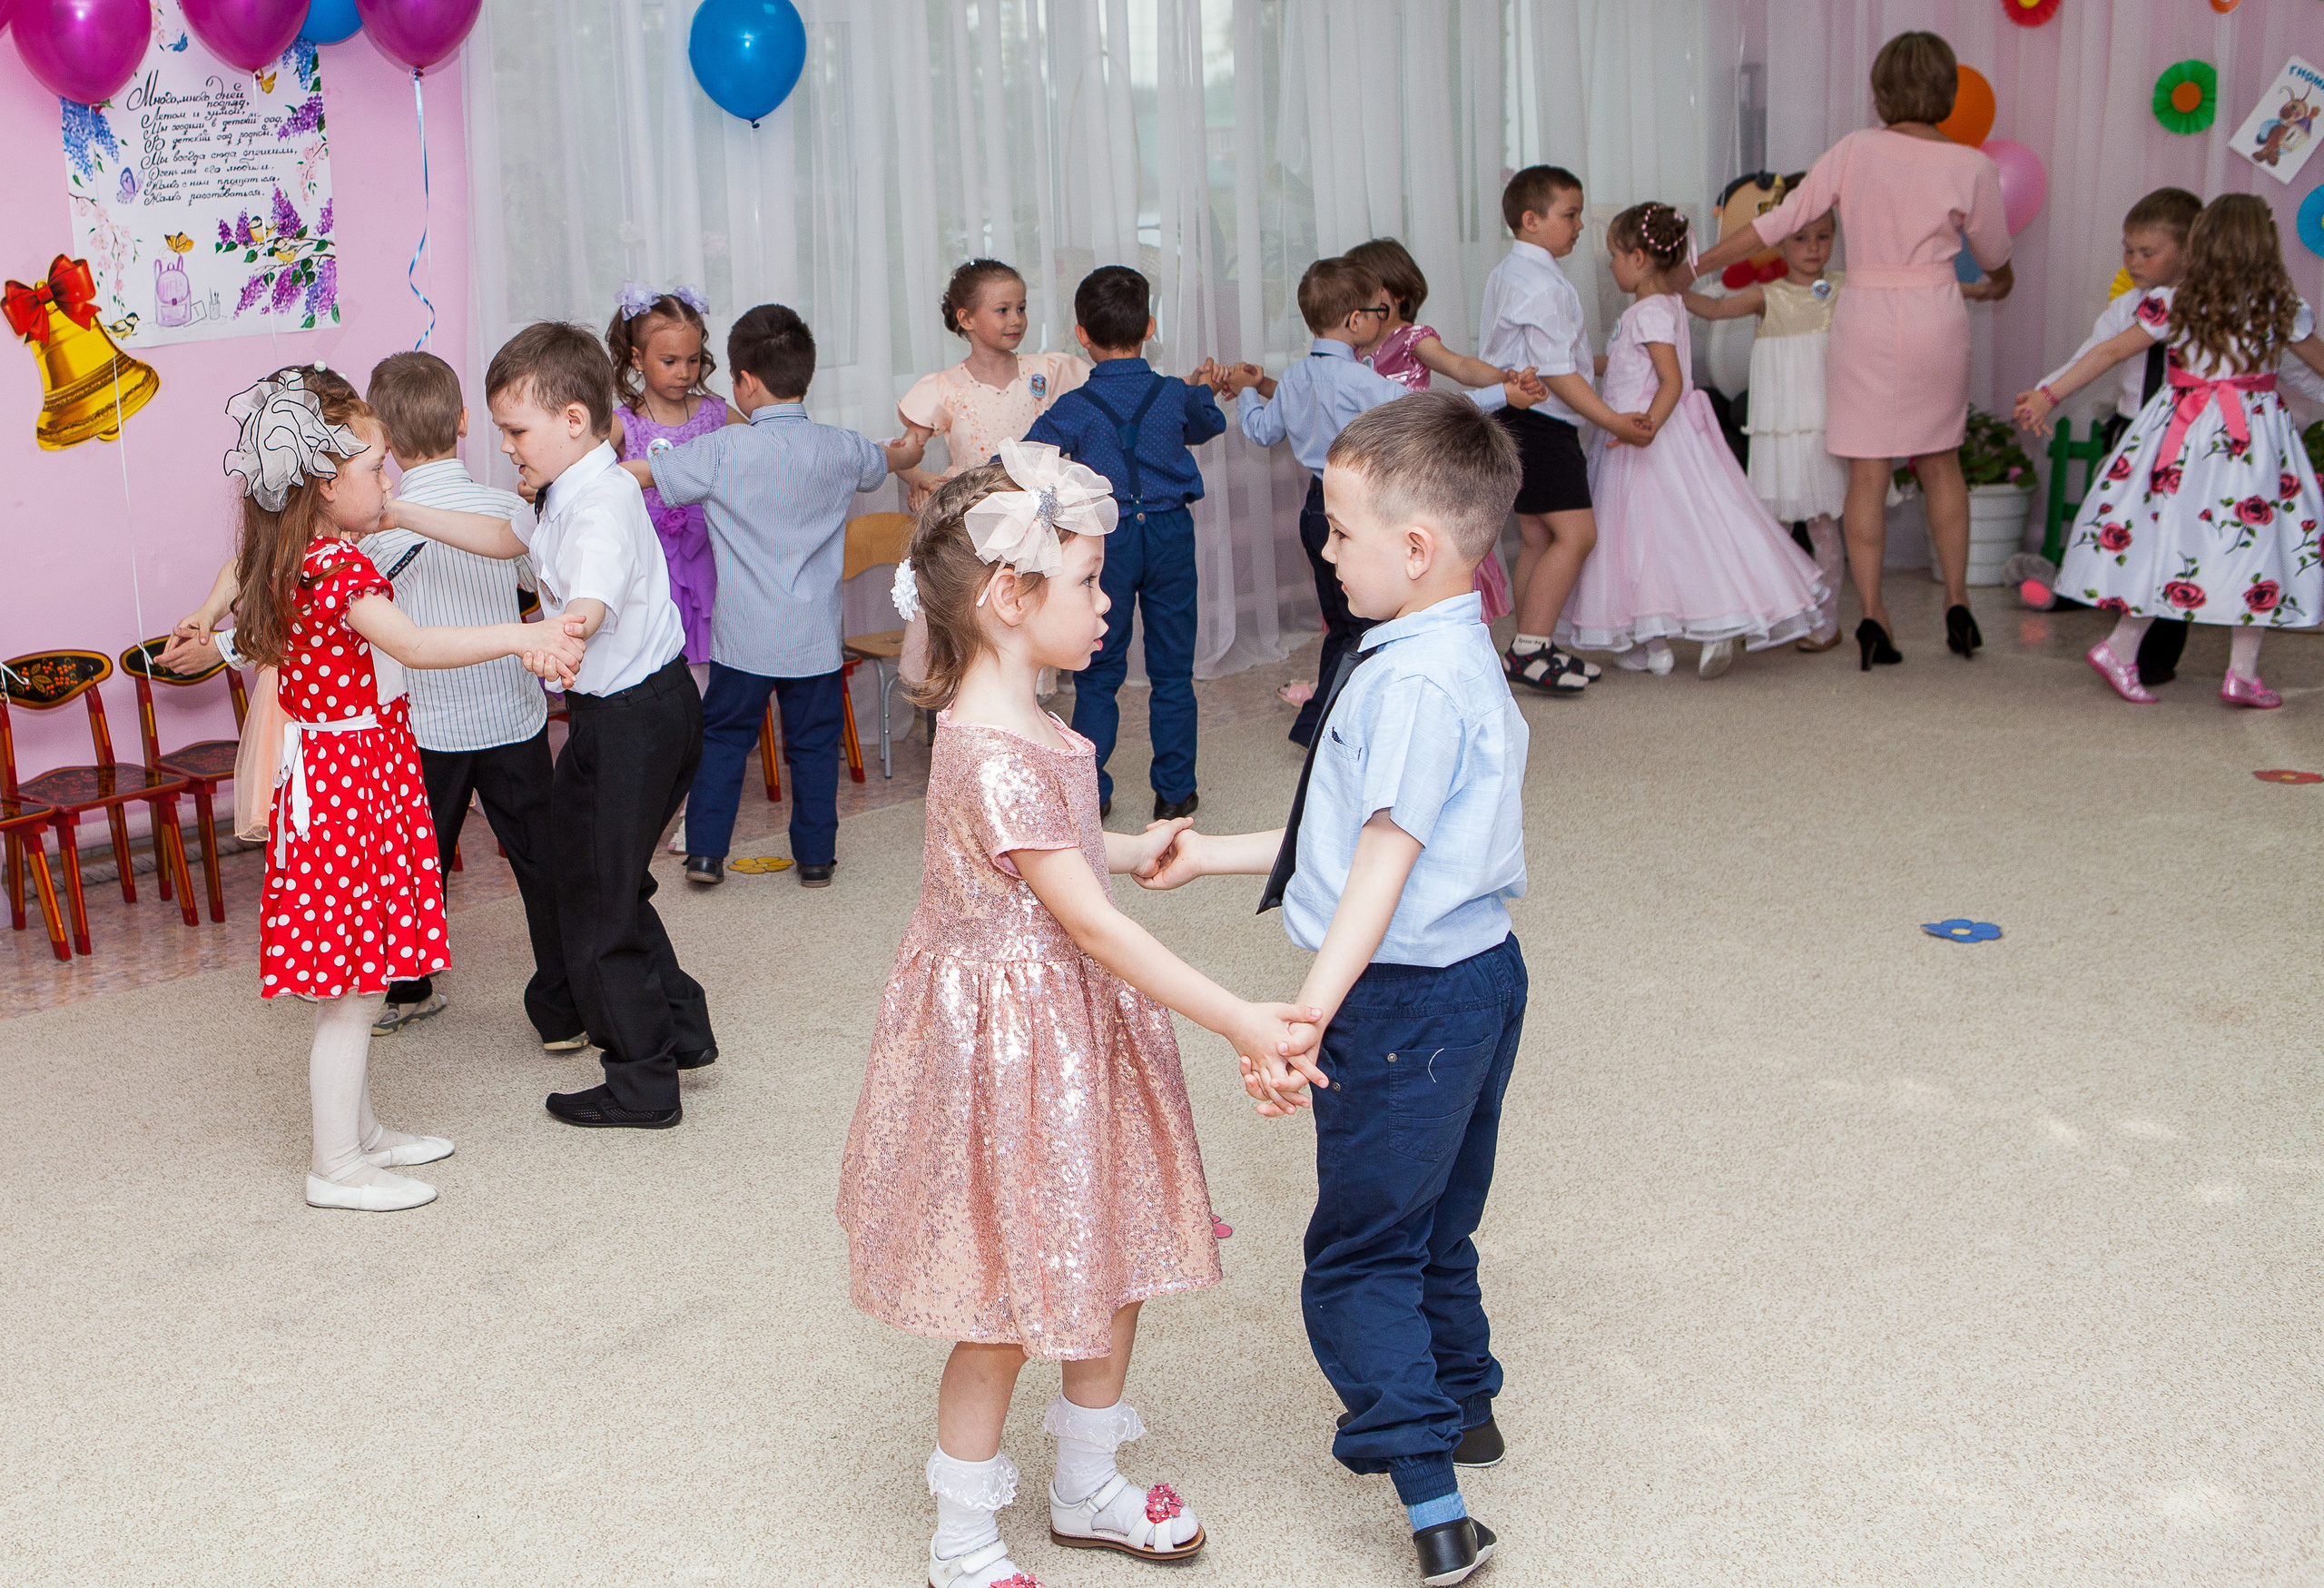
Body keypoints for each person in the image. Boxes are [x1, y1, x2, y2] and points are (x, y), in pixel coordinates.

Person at [834, 441, 1315, 1588]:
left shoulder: (1037, 728)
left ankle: (1087, 1482)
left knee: (1110, 1263)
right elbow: (1091, 926)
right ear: (1009, 598)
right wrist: (1240, 1017)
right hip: (1009, 1052)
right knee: (1001, 1299)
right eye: (1090, 583)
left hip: (1073, 1039)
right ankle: (962, 1534)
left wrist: (1135, 842)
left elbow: (1056, 852)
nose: (1109, 602)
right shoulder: (990, 751)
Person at [1137, 391, 1531, 1587]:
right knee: (1436, 1222)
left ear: (1415, 549)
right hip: (1479, 978)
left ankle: (1433, 1501)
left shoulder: (1409, 682)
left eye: (1340, 530)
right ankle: (1468, 1403)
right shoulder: (1439, 647)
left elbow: (1383, 861)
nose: (1325, 547)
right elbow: (1350, 826)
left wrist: (1307, 1010)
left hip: (1403, 1004)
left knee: (1358, 1257)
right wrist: (1209, 853)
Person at [217, 369, 580, 1210]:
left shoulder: (300, 555)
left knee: (365, 979)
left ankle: (361, 1132)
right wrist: (521, 634)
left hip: (359, 775)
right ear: (321, 484)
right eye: (376, 469)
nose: (388, 482)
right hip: (344, 787)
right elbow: (413, 644)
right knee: (350, 992)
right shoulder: (335, 568)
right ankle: (334, 1163)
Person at [389, 321, 713, 1130]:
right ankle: (680, 1023)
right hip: (626, 714)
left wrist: (555, 641)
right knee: (593, 872)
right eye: (498, 429)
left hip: (636, 719)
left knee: (598, 898)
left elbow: (590, 606)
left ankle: (642, 1079)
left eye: (516, 430)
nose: (506, 447)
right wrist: (401, 510)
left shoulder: (599, 504)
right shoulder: (566, 487)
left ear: (574, 419)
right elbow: (505, 539)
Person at [1692, 29, 2014, 670]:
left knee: (1869, 472)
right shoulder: (1971, 164)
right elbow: (1998, 258)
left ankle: (1872, 615)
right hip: (1934, 317)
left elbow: (1775, 224)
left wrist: (1695, 264)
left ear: (1881, 93)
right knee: (1940, 461)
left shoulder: (1855, 150)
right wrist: (1998, 283)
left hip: (1865, 314)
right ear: (1948, 92)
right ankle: (1956, 602)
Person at [339, 350, 585, 1050]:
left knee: (419, 861)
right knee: (540, 861)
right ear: (466, 421)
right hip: (512, 716)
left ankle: (408, 988)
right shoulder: (509, 508)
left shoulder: (375, 533)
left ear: (381, 435)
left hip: (426, 726)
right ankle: (563, 1010)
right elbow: (541, 588)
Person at [619, 303, 911, 887]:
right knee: (813, 747)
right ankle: (816, 858)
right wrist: (916, 450)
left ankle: (705, 853)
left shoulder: (722, 452)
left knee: (724, 742)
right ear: (804, 375)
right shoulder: (842, 448)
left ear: (744, 383)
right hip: (814, 642)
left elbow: (645, 475)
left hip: (743, 640)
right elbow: (890, 459)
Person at [2015, 194, 2324, 708]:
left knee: (2166, 538)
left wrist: (2052, 393)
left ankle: (2123, 645)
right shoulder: (2282, 308)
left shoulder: (2177, 301)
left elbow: (2110, 350)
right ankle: (2240, 672)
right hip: (2252, 439)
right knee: (2258, 543)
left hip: (2182, 431)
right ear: (2266, 246)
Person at [1227, 258, 1548, 745]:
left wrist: (1250, 391)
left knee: (1340, 624)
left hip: (1316, 512)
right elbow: (1430, 412)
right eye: (1376, 311)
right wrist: (1504, 392)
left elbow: (1259, 430)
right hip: (1364, 514)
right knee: (1370, 626)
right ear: (1355, 321)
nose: (1382, 318)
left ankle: (1316, 721)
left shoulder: (1292, 378)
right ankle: (1349, 724)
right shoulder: (1357, 381)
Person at [1564, 203, 1826, 677]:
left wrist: (1647, 427)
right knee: (1673, 534)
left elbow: (1671, 379)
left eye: (1616, 256)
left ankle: (1682, 630)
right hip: (1638, 435)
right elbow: (1629, 366)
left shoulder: (1650, 311)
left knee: (1650, 538)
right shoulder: (1661, 307)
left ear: (1641, 258)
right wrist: (1577, 368)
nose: (1611, 265)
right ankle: (1654, 639)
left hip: (1648, 438)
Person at [1023, 265, 1231, 821]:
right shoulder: (1173, 394)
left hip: (1105, 542)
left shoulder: (1071, 408)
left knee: (1098, 671)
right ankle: (1174, 792)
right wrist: (1203, 386)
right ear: (1151, 326)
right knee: (1172, 670)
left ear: (1081, 335)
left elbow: (1025, 459)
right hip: (1169, 535)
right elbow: (1208, 420)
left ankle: (1092, 792)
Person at [1481, 165, 1656, 697]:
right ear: (1531, 220)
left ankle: (1532, 644)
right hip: (1541, 422)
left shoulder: (1510, 272)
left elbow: (1553, 357)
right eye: (1571, 215)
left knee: (1539, 535)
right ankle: (1532, 649)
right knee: (1578, 535)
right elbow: (1557, 369)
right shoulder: (1542, 285)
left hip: (1512, 419)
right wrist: (1609, 418)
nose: (1580, 226)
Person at [1683, 201, 1852, 651]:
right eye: (1800, 238)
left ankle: (1826, 621)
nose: (1813, 248)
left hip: (1825, 427)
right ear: (1779, 242)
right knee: (1772, 527)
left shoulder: (1845, 287)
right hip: (1780, 428)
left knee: (1822, 524)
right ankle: (1771, 615)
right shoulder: (1767, 294)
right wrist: (1667, 288)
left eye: (1822, 236)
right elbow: (1716, 311)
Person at [1344, 236, 1521, 625]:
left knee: (1425, 549)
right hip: (1376, 468)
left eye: (1357, 294)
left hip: (1414, 464)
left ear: (1389, 295)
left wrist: (1504, 379)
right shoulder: (1353, 352)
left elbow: (1459, 367)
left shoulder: (1412, 339)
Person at [606, 282, 737, 673]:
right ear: (637, 358)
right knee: (660, 665)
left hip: (710, 558)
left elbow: (767, 446)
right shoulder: (622, 422)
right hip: (651, 564)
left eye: (693, 360)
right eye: (670, 361)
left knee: (710, 668)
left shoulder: (715, 412)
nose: (685, 373)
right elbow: (584, 472)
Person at [897, 258, 1088, 511]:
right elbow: (902, 456)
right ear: (966, 319)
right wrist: (919, 479)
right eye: (1003, 310)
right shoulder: (946, 387)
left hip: (1038, 509)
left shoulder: (1049, 371)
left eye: (1021, 308)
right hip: (972, 511)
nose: (1016, 319)